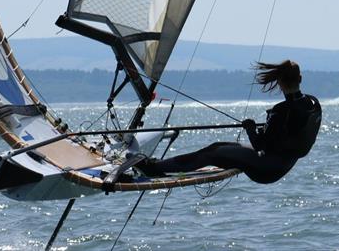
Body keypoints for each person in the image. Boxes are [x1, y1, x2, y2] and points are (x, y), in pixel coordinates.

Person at [135, 60, 321, 184]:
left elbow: (259, 145)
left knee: (212, 153)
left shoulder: (282, 111)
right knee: (219, 146)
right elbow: (287, 135)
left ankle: (154, 168)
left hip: (266, 168)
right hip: (283, 165)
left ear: (279, 82)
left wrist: (250, 128)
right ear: (300, 79)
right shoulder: (313, 103)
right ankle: (159, 165)